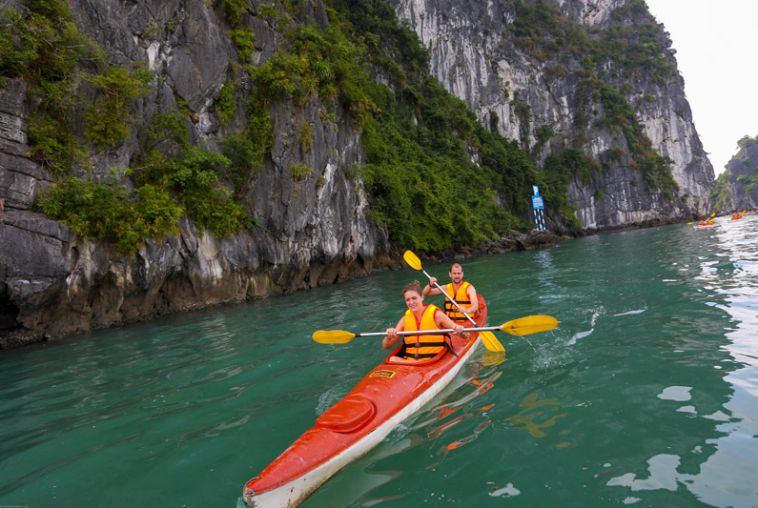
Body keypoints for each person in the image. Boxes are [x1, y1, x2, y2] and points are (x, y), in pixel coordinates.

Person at [384, 281, 465, 359]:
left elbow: (465, 336)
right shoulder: (405, 319)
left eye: (414, 298)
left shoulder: (437, 315)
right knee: (393, 359)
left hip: (433, 359)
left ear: (422, 297)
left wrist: (460, 331)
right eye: (408, 300)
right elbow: (386, 346)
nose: (411, 302)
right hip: (409, 361)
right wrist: (388, 337)